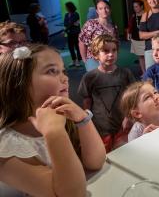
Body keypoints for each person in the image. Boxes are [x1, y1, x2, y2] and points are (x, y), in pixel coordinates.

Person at [0, 44, 105, 196]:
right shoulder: (5, 148)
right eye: (52, 71)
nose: (65, 78)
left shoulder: (61, 116)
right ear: (20, 84)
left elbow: (95, 162)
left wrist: (83, 119)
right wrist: (55, 134)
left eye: (63, 71)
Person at [78, 34, 135, 152]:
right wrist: (88, 121)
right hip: (101, 126)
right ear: (95, 55)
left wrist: (129, 116)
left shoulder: (125, 73)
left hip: (123, 124)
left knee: (126, 152)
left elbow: (133, 97)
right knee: (105, 155)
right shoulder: (89, 77)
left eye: (114, 50)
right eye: (105, 51)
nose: (111, 54)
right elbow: (87, 101)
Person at [78, 0, 119, 71]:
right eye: (100, 8)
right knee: (96, 80)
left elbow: (116, 44)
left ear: (110, 9)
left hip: (109, 59)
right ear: (97, 11)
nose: (104, 10)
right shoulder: (91, 24)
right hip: (94, 60)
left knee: (109, 80)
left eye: (106, 8)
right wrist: (85, 60)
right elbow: (82, 42)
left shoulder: (113, 26)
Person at [128, 0, 146, 75]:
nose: (135, 8)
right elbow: (130, 26)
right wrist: (129, 34)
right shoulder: (133, 16)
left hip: (145, 39)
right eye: (134, 7)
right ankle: (144, 72)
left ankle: (149, 72)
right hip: (135, 39)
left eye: (136, 6)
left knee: (147, 56)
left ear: (141, 6)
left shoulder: (147, 15)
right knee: (140, 57)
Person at [64, 1, 82, 67]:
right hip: (69, 33)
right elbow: (65, 23)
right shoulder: (66, 14)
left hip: (76, 33)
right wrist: (70, 24)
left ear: (70, 7)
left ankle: (79, 60)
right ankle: (73, 60)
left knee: (77, 47)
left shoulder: (76, 14)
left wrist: (67, 28)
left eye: (66, 7)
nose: (65, 8)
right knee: (70, 47)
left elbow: (71, 23)